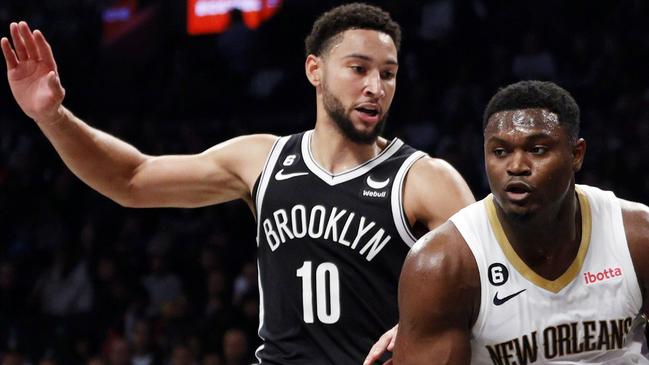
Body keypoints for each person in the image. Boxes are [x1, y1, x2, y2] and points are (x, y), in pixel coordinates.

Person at [1, 3, 474, 365]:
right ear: (315, 70)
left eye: (387, 74)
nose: (376, 86)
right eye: (359, 68)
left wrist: (419, 327)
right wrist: (53, 117)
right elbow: (131, 178)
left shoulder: (424, 178)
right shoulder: (261, 159)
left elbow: (498, 288)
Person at [392, 80, 649, 364]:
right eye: (500, 152)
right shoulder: (443, 264)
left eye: (537, 150)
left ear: (576, 154)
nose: (516, 166)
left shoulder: (638, 237)